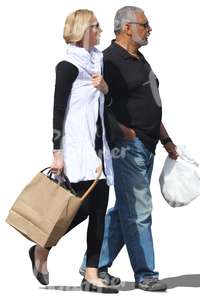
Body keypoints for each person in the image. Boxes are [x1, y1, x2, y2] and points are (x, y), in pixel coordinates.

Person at [80, 6, 178, 292]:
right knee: (138, 209)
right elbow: (96, 104)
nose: (149, 29)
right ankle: (146, 274)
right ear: (127, 27)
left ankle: (93, 265)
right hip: (128, 147)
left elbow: (149, 103)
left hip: (148, 145)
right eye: (145, 25)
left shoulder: (139, 60)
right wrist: (124, 132)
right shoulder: (108, 60)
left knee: (126, 208)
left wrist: (166, 139)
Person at [28, 9, 118, 294]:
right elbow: (58, 110)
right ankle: (45, 248)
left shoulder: (97, 62)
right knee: (85, 205)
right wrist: (57, 151)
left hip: (98, 146)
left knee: (96, 204)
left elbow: (107, 103)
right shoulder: (67, 65)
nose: (100, 31)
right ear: (82, 30)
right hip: (77, 148)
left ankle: (86, 270)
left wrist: (105, 88)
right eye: (95, 26)